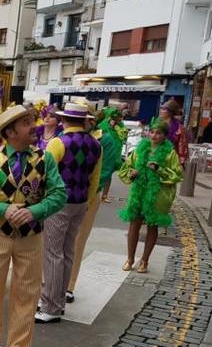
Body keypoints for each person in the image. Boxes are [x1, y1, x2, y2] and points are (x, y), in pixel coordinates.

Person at [0, 105, 66, 347]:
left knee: (26, 293)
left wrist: (34, 211)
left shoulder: (44, 159)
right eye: (26, 124)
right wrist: (3, 209)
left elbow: (59, 194)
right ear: (10, 132)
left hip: (31, 238)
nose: (33, 127)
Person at [35, 103, 101, 324]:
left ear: (64, 120)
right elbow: (95, 179)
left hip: (58, 203)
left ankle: (50, 306)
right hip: (81, 201)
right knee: (68, 251)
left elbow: (43, 174)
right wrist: (88, 201)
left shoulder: (58, 143)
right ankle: (59, 300)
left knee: (53, 254)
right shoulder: (95, 144)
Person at [118, 119, 183, 273]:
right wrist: (131, 173)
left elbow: (177, 174)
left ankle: (145, 261)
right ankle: (130, 259)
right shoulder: (139, 150)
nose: (154, 135)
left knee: (152, 226)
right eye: (152, 132)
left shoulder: (169, 153)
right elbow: (125, 168)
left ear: (165, 136)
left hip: (157, 194)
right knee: (134, 224)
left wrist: (159, 169)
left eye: (158, 133)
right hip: (138, 193)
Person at [66, 105, 103, 303]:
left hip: (80, 197)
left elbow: (101, 175)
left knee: (73, 243)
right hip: (72, 199)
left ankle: (67, 286)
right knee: (60, 245)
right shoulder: (65, 138)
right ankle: (58, 283)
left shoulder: (100, 142)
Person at [99, 105, 128, 203]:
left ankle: (104, 195)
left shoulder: (121, 126)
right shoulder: (103, 124)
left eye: (120, 117)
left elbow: (124, 137)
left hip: (114, 152)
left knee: (108, 173)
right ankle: (96, 193)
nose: (119, 118)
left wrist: (116, 127)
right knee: (100, 173)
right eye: (117, 117)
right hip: (103, 152)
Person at [160, 100, 188, 165]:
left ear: (170, 112)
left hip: (171, 159)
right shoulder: (157, 124)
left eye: (164, 109)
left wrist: (181, 162)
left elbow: (182, 146)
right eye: (161, 109)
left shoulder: (179, 128)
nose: (161, 111)